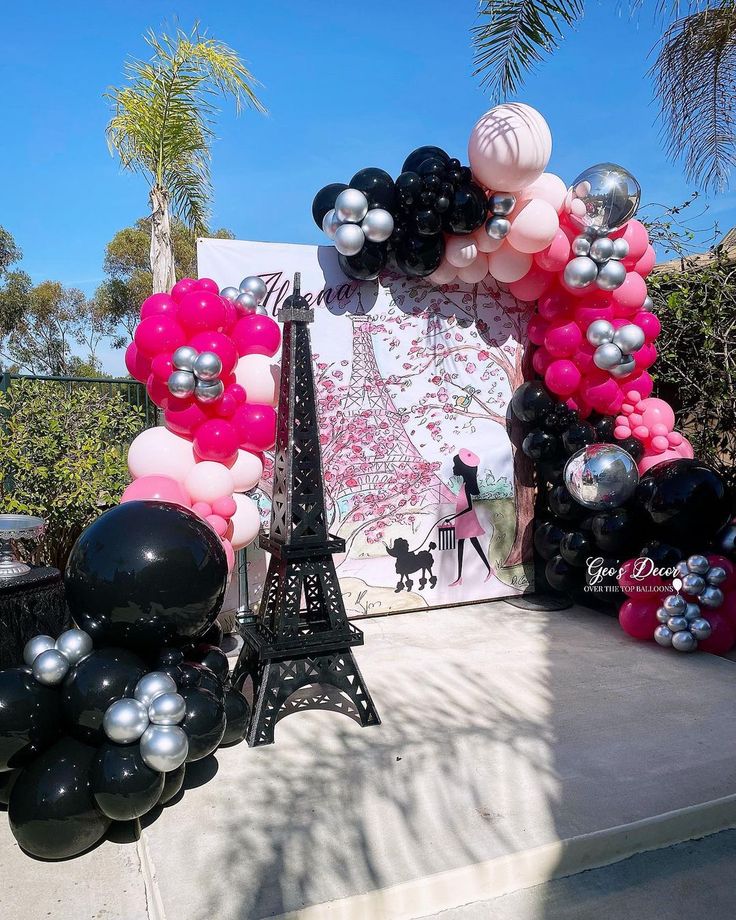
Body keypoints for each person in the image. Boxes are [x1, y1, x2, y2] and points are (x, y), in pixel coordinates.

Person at [445, 449, 494, 586]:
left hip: (467, 520)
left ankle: (487, 570)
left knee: (471, 544)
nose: (453, 468)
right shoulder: (464, 485)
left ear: (463, 468)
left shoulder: (466, 487)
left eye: (455, 465)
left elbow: (469, 507)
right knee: (470, 544)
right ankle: (462, 576)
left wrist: (453, 517)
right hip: (463, 521)